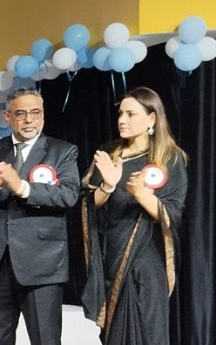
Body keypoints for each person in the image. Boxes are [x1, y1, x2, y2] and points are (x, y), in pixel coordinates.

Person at [0, 87, 80, 345]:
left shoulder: (62, 151)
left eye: (35, 113)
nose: (29, 120)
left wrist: (21, 187)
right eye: (21, 113)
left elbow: (68, 195)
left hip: (42, 261)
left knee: (45, 339)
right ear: (8, 117)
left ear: (43, 115)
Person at [80, 87, 188, 344]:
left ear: (152, 119)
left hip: (148, 261)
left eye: (130, 114)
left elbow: (173, 213)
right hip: (112, 257)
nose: (122, 120)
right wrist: (107, 185)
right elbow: (87, 207)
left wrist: (141, 194)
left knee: (148, 331)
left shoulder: (169, 159)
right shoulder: (109, 154)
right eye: (120, 113)